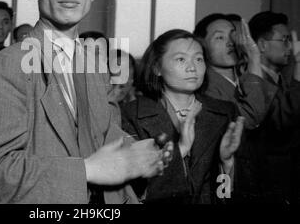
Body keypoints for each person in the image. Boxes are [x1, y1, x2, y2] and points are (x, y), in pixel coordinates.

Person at [0, 0, 173, 204]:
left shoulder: (96, 67)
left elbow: (102, 141)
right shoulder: (6, 65)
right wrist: (88, 170)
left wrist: (139, 155)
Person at [122, 29, 244, 203]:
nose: (192, 67)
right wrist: (180, 150)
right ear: (157, 67)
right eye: (181, 59)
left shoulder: (225, 112)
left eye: (198, 59)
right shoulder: (132, 114)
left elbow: (233, 193)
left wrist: (226, 163)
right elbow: (134, 191)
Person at [193, 13, 273, 202]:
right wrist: (254, 57)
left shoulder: (244, 78)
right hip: (227, 183)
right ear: (202, 46)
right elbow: (250, 118)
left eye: (232, 35)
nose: (230, 43)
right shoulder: (205, 88)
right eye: (219, 37)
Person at [248, 11, 300, 203]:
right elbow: (282, 121)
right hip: (268, 182)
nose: (290, 47)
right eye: (284, 40)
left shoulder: (281, 79)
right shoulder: (254, 81)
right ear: (262, 45)